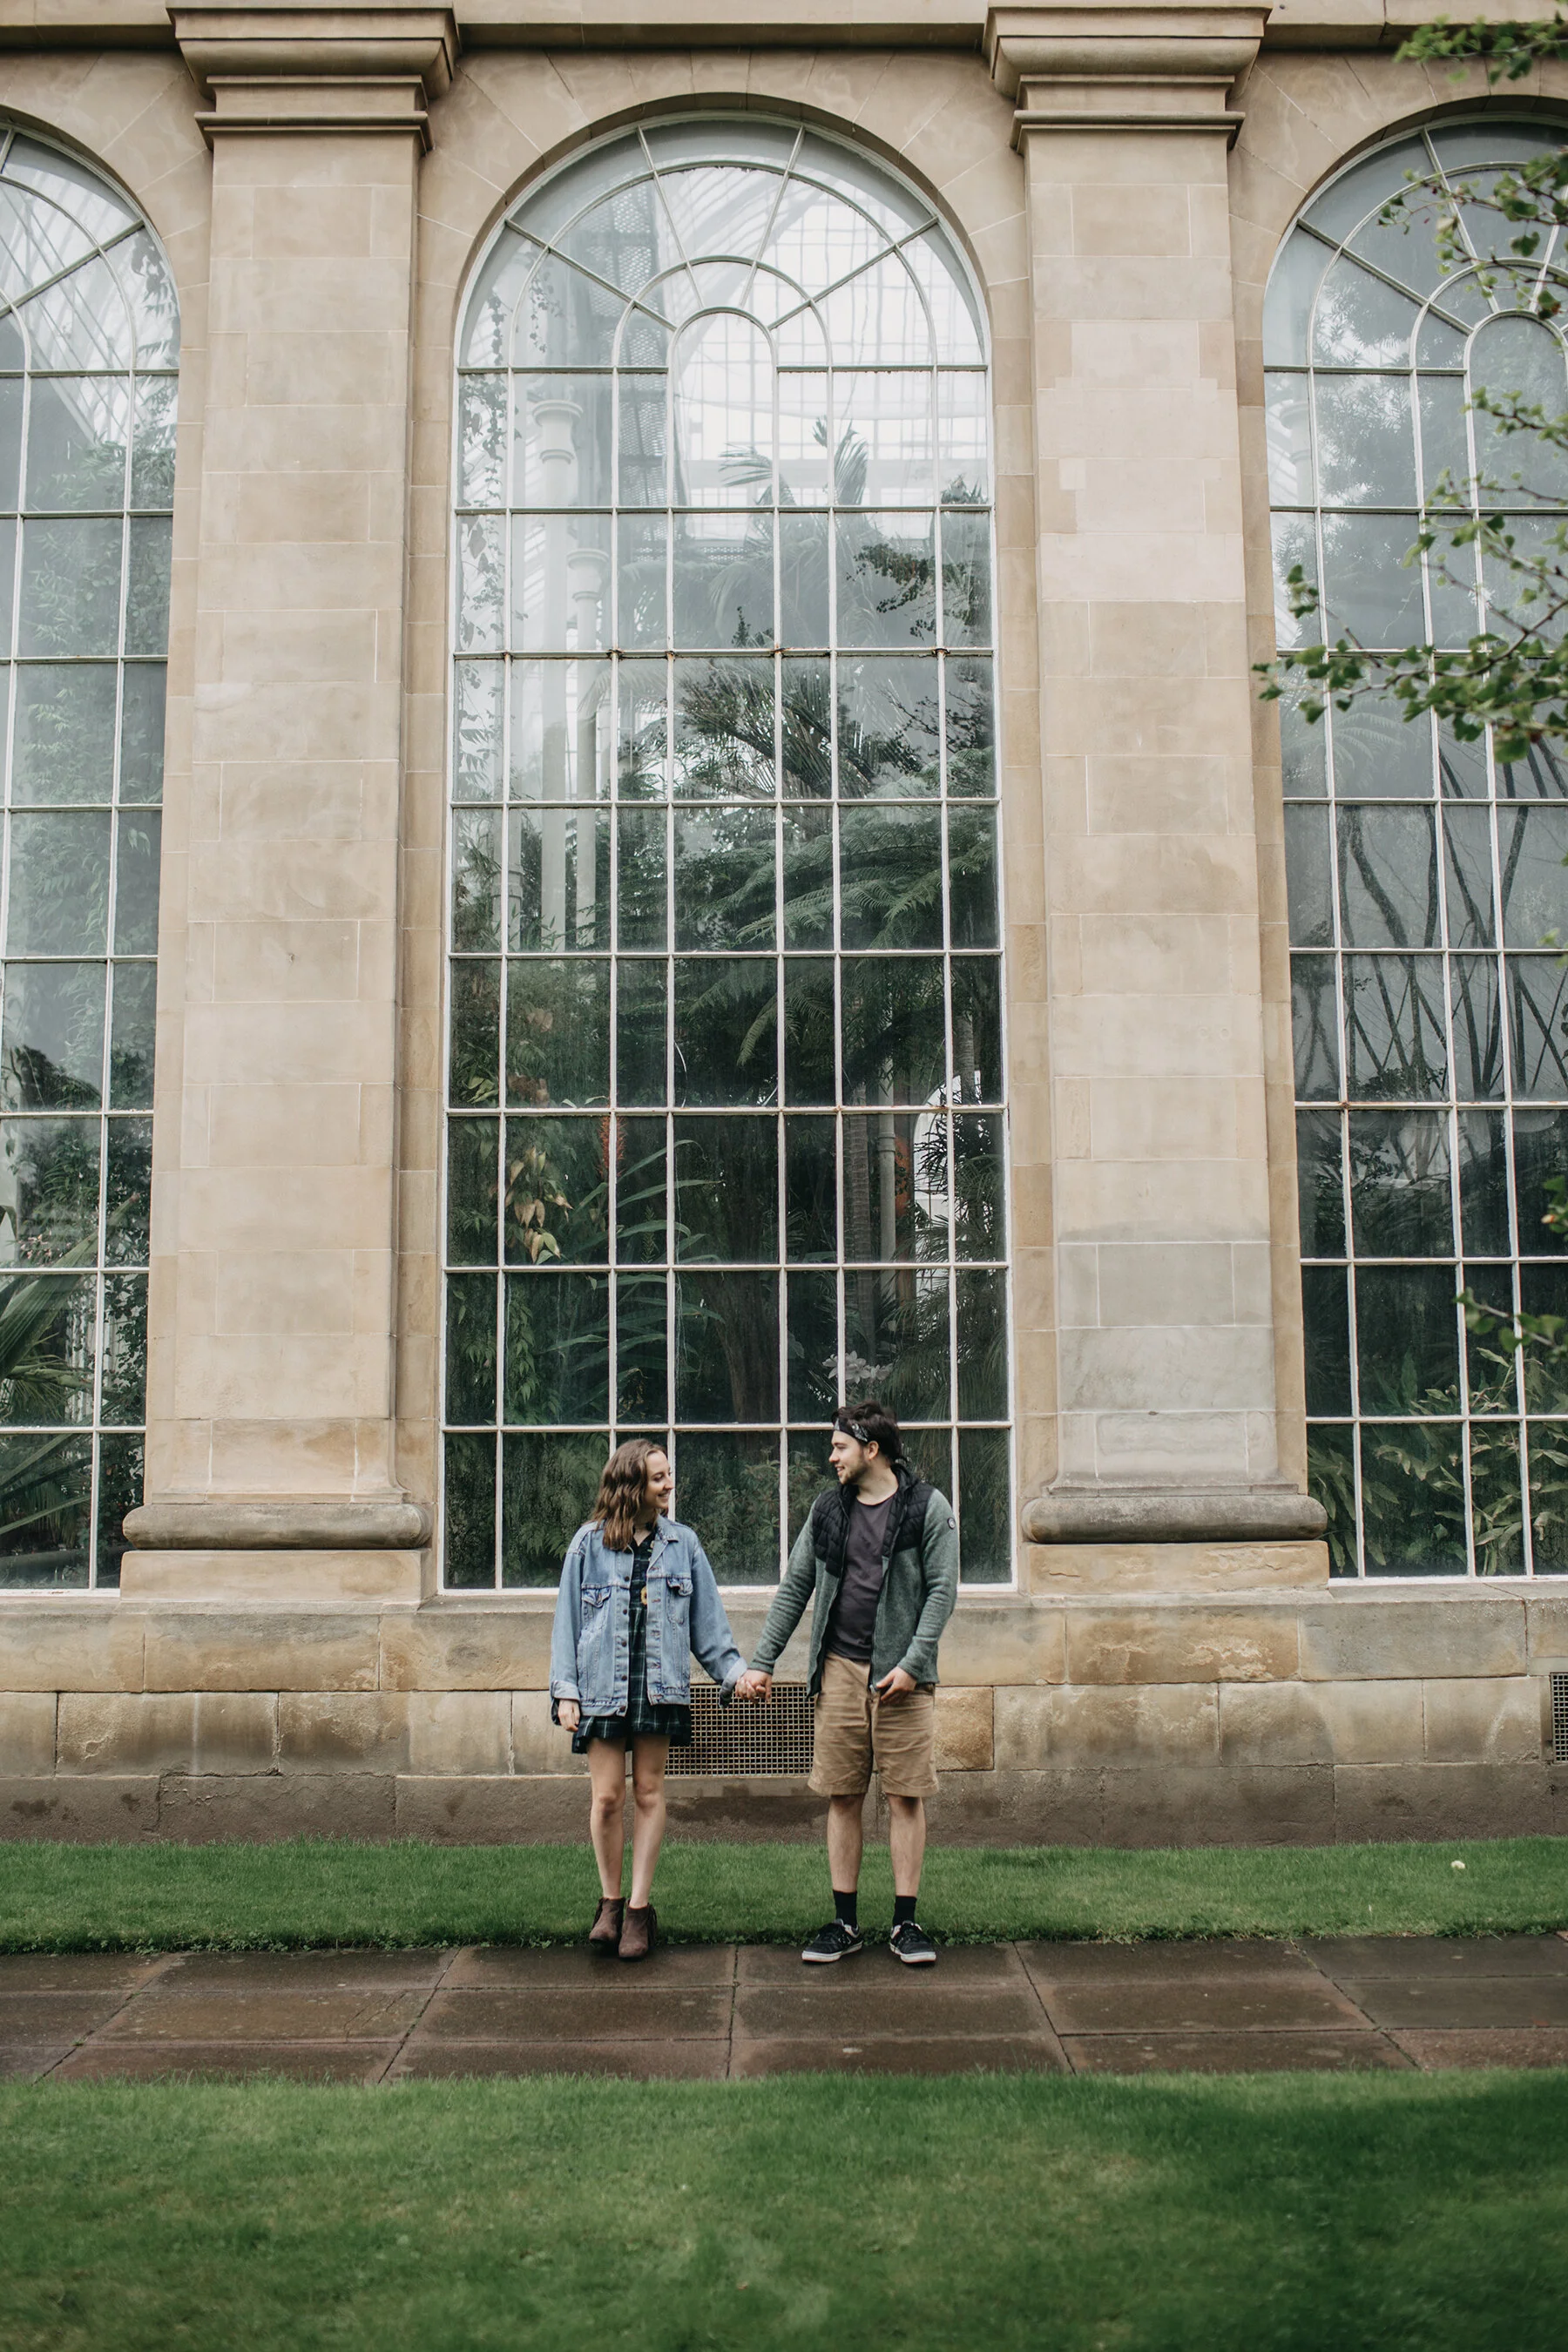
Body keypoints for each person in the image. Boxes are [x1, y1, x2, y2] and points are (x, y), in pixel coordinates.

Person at [738, 1401, 958, 1966]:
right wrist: (762, 1662)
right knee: (843, 1794)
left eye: (840, 1446)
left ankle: (905, 1925)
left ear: (871, 1449)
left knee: (904, 1796)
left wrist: (913, 1663)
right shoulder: (828, 1511)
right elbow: (795, 1588)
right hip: (838, 1669)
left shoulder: (927, 1507)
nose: (832, 1456)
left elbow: (942, 1591)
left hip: (901, 1676)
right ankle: (844, 1923)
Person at [550, 1438, 746, 1962]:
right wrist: (565, 1692)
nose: (669, 1485)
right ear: (632, 1485)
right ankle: (609, 1905)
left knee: (649, 1793)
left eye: (667, 1475)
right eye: (658, 1477)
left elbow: (709, 1627)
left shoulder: (683, 1545)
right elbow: (567, 1622)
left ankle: (639, 1910)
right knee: (607, 1798)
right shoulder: (587, 1545)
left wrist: (736, 1674)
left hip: (658, 1687)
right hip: (601, 1689)